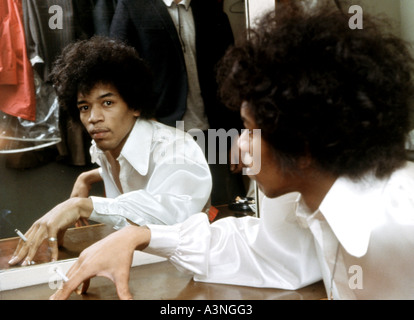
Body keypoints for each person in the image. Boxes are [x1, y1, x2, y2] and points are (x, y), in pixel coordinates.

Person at [51, 2, 414, 300]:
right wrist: (141, 235)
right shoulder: (312, 210)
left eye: (251, 131)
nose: (237, 145)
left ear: (303, 143)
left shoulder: (402, 220)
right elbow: (258, 249)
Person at [8, 37, 212, 267]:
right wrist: (90, 175)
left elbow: (171, 220)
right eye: (84, 107)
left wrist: (82, 205)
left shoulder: (178, 148)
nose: (94, 118)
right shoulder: (105, 144)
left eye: (107, 103)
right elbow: (132, 166)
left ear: (134, 105)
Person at [110, 0, 246, 205]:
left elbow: (232, 77)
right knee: (171, 212)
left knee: (223, 209)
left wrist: (237, 134)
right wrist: (146, 118)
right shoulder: (133, 5)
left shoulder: (208, 6)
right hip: (163, 132)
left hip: (212, 132)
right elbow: (116, 71)